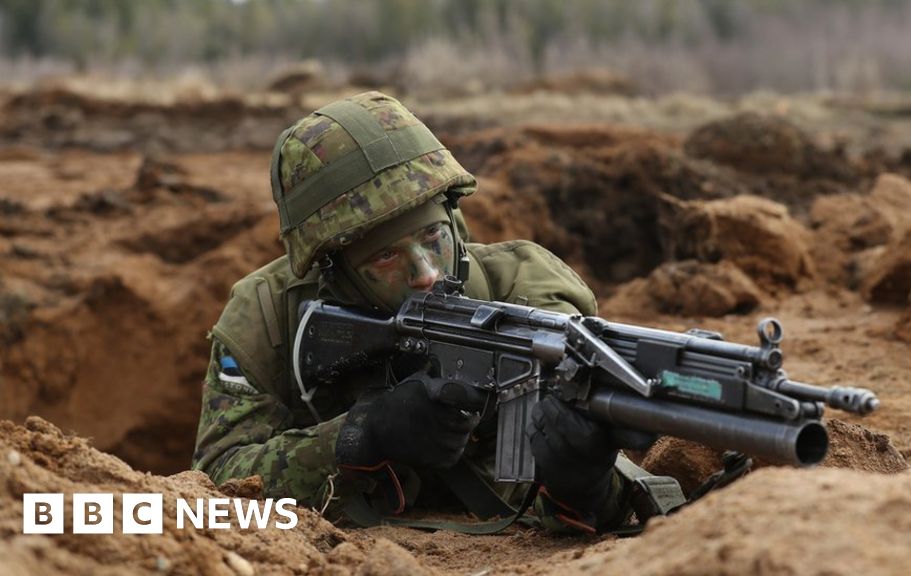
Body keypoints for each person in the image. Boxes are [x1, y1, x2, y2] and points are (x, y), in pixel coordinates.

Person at [191, 91, 681, 533]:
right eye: (385, 256)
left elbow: (592, 497)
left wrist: (584, 484)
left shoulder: (527, 291)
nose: (425, 273)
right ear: (332, 269)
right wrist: (363, 435)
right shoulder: (267, 318)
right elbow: (212, 488)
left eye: (434, 237)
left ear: (454, 219)